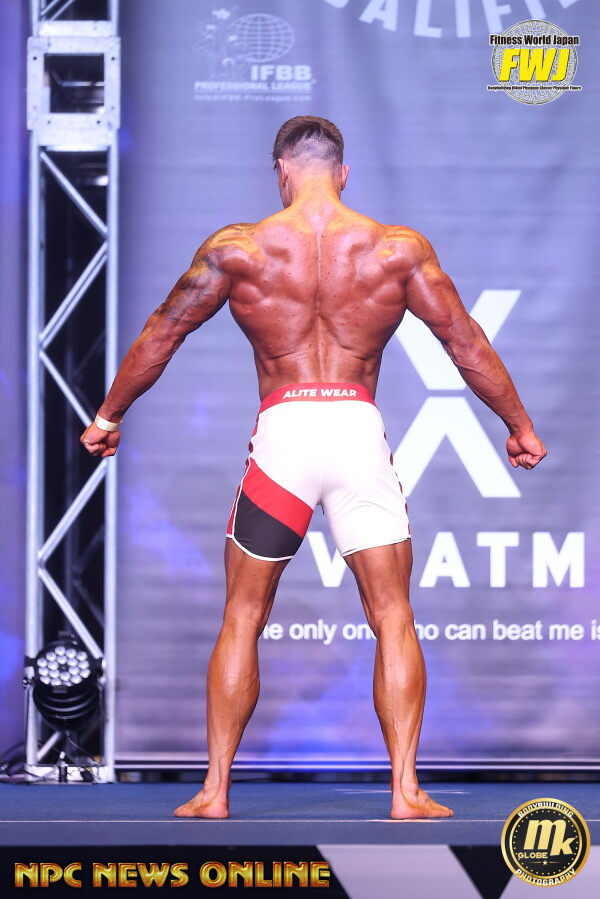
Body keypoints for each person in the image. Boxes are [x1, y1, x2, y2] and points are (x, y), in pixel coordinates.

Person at [80, 116, 546, 820]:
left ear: (282, 171)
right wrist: (519, 425)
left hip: (284, 435)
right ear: (344, 173)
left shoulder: (239, 248)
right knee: (393, 614)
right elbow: (465, 342)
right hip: (357, 430)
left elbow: (163, 330)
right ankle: (405, 792)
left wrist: (108, 415)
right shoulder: (397, 249)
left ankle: (213, 792)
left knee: (243, 614)